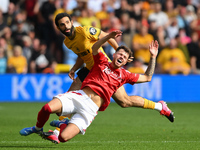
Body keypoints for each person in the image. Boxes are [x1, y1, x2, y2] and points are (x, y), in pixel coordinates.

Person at [34, 12, 173, 143]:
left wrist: (120, 52)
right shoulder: (67, 42)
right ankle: (58, 132)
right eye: (62, 25)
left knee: (124, 102)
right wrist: (74, 68)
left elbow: (108, 36)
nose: (66, 26)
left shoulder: (86, 31)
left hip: (102, 68)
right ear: (58, 28)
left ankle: (160, 106)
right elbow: (83, 54)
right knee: (68, 96)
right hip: (89, 69)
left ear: (72, 22)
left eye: (67, 23)